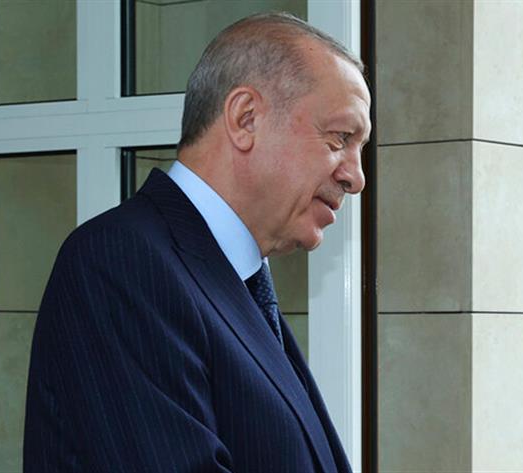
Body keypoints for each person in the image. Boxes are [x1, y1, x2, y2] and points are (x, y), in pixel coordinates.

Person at [23, 12, 368, 472]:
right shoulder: (121, 264)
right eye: (340, 138)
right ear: (245, 119)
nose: (355, 177)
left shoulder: (235, 281)